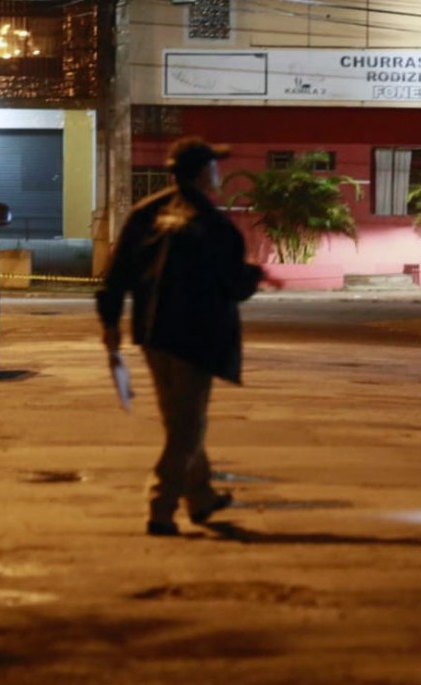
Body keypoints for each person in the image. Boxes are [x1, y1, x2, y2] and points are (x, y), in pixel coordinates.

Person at [95, 136, 280, 537]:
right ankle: (161, 505)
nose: (218, 172)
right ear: (201, 175)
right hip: (196, 339)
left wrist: (110, 324)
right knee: (187, 428)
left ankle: (201, 496)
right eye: (213, 166)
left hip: (153, 334)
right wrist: (255, 274)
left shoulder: (145, 214)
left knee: (178, 420)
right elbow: (233, 285)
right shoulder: (213, 225)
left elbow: (116, 274)